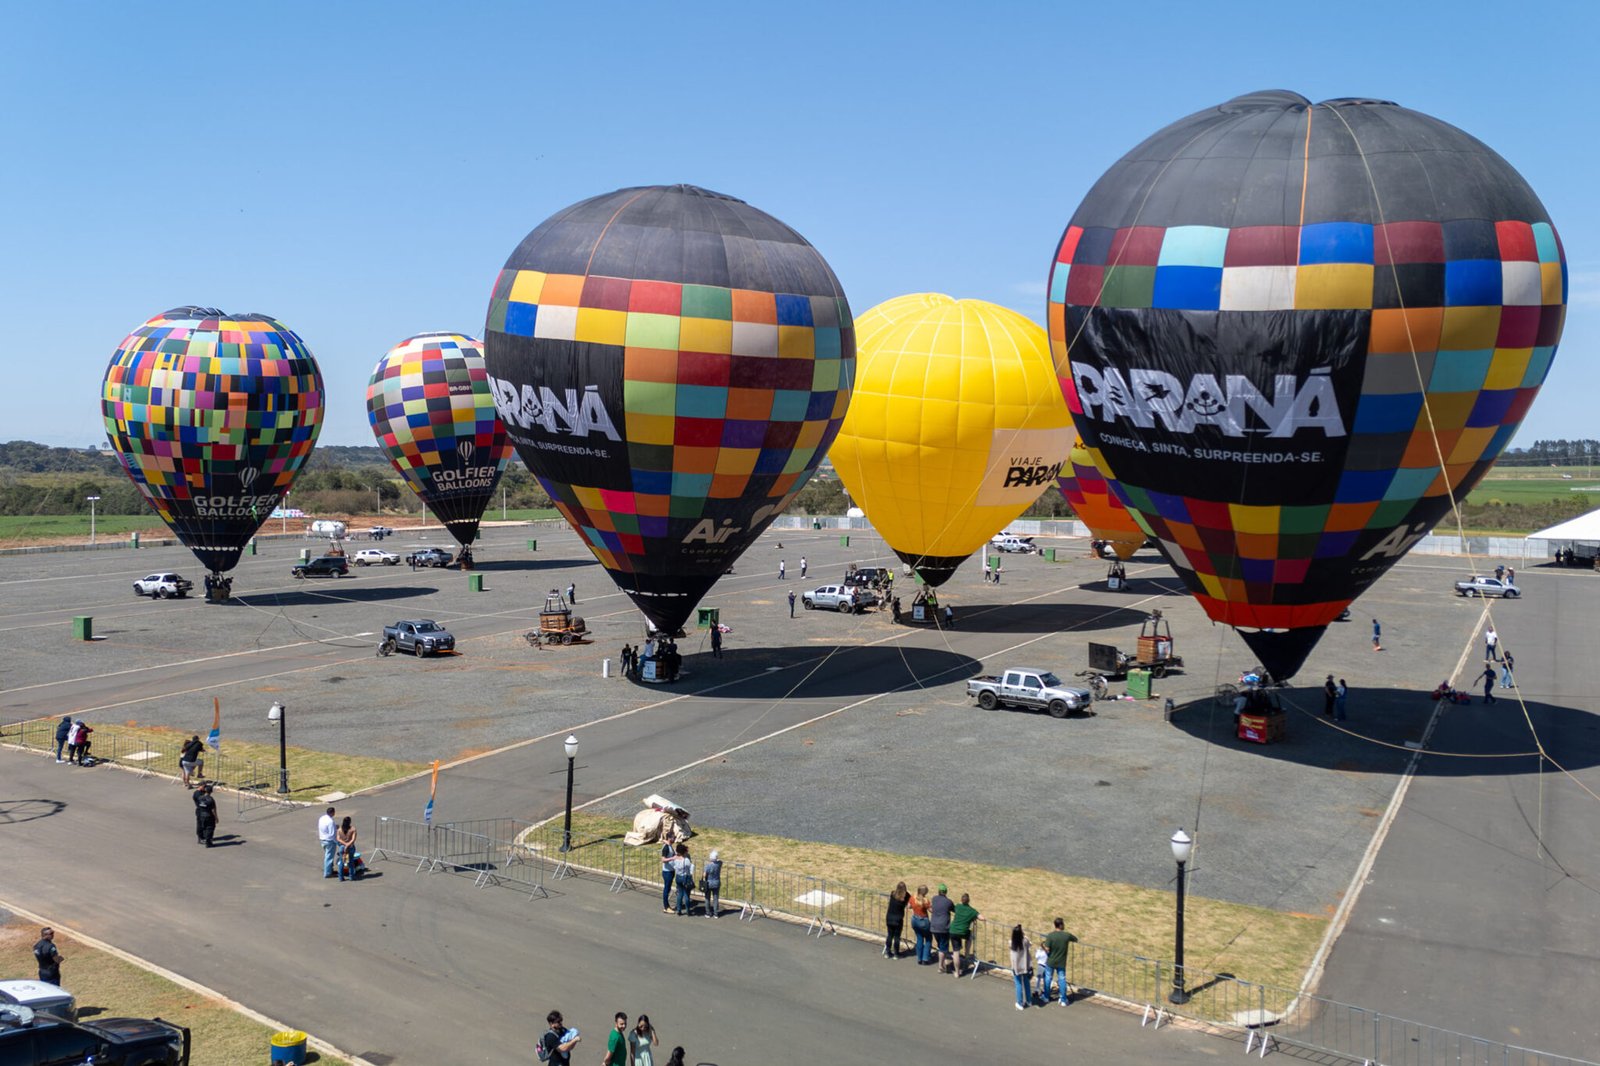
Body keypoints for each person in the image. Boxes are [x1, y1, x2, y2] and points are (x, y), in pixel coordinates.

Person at [1040, 917, 1078, 1006]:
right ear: (1060, 925)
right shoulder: (1066, 935)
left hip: (1051, 961)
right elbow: (1075, 939)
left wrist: (1043, 946)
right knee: (1062, 979)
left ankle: (1046, 996)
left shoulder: (1050, 936)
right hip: (1061, 962)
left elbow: (1047, 950)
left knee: (1048, 978)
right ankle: (1063, 999)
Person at [949, 892, 981, 977]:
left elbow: (953, 909)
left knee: (956, 952)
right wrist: (974, 917)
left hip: (953, 931)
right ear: (969, 901)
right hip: (963, 932)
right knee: (969, 937)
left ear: (961, 900)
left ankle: (956, 972)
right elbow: (982, 918)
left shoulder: (958, 907)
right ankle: (967, 954)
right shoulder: (971, 910)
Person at [928, 885, 955, 973]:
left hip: (934, 927)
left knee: (941, 946)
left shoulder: (934, 898)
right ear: (946, 892)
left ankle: (944, 963)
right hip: (943, 928)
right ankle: (941, 966)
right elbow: (953, 909)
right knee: (943, 948)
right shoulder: (948, 902)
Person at [1008, 924, 1033, 1010]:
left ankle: (1020, 1002)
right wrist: (1023, 934)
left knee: (1018, 984)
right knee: (1026, 983)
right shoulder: (1025, 941)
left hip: (1016, 967)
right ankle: (1029, 1001)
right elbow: (1030, 943)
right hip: (1025, 966)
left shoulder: (1011, 942)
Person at [884, 882, 910, 958]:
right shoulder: (905, 897)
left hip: (889, 917)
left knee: (890, 935)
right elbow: (909, 902)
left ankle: (887, 952)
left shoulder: (892, 894)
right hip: (898, 919)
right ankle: (896, 953)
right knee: (897, 937)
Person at [908, 885, 933, 964]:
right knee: (928, 938)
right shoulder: (925, 901)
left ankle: (919, 958)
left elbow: (909, 906)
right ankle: (925, 958)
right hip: (923, 921)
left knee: (919, 938)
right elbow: (931, 910)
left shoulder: (913, 898)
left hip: (915, 920)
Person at [673, 842, 695, 915]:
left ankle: (679, 910)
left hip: (678, 877)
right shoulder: (686, 860)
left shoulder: (675, 859)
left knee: (680, 894)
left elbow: (674, 866)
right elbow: (689, 869)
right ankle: (688, 910)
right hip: (684, 877)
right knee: (686, 895)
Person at [193, 782, 218, 846]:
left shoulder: (201, 796)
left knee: (203, 826)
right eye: (204, 787)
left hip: (202, 812)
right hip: (204, 813)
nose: (204, 788)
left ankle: (205, 838)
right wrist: (216, 817)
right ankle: (203, 839)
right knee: (206, 827)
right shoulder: (198, 794)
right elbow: (213, 809)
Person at [659, 829, 678, 912]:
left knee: (668, 888)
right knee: (666, 889)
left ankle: (667, 906)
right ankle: (666, 907)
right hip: (667, 872)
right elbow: (663, 859)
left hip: (671, 870)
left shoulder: (669, 845)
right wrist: (672, 858)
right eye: (674, 837)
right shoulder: (666, 847)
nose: (675, 839)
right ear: (670, 838)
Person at [319, 806, 339, 878]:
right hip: (329, 841)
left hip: (322, 839)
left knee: (327, 855)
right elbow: (332, 834)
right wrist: (337, 842)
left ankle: (330, 869)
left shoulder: (322, 818)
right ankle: (327, 873)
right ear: (332, 812)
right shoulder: (330, 821)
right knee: (329, 857)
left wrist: (334, 827)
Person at [701, 849, 722, 917]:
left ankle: (708, 913)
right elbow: (720, 860)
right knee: (715, 898)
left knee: (707, 898)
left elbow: (704, 875)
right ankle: (716, 913)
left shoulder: (708, 866)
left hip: (709, 883)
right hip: (716, 882)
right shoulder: (719, 864)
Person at [337, 816, 358, 880]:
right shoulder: (353, 829)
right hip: (350, 847)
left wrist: (344, 844)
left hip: (342, 847)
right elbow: (353, 839)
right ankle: (351, 876)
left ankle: (340, 877)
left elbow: (338, 838)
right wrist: (348, 844)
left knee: (342, 862)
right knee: (350, 862)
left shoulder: (340, 829)